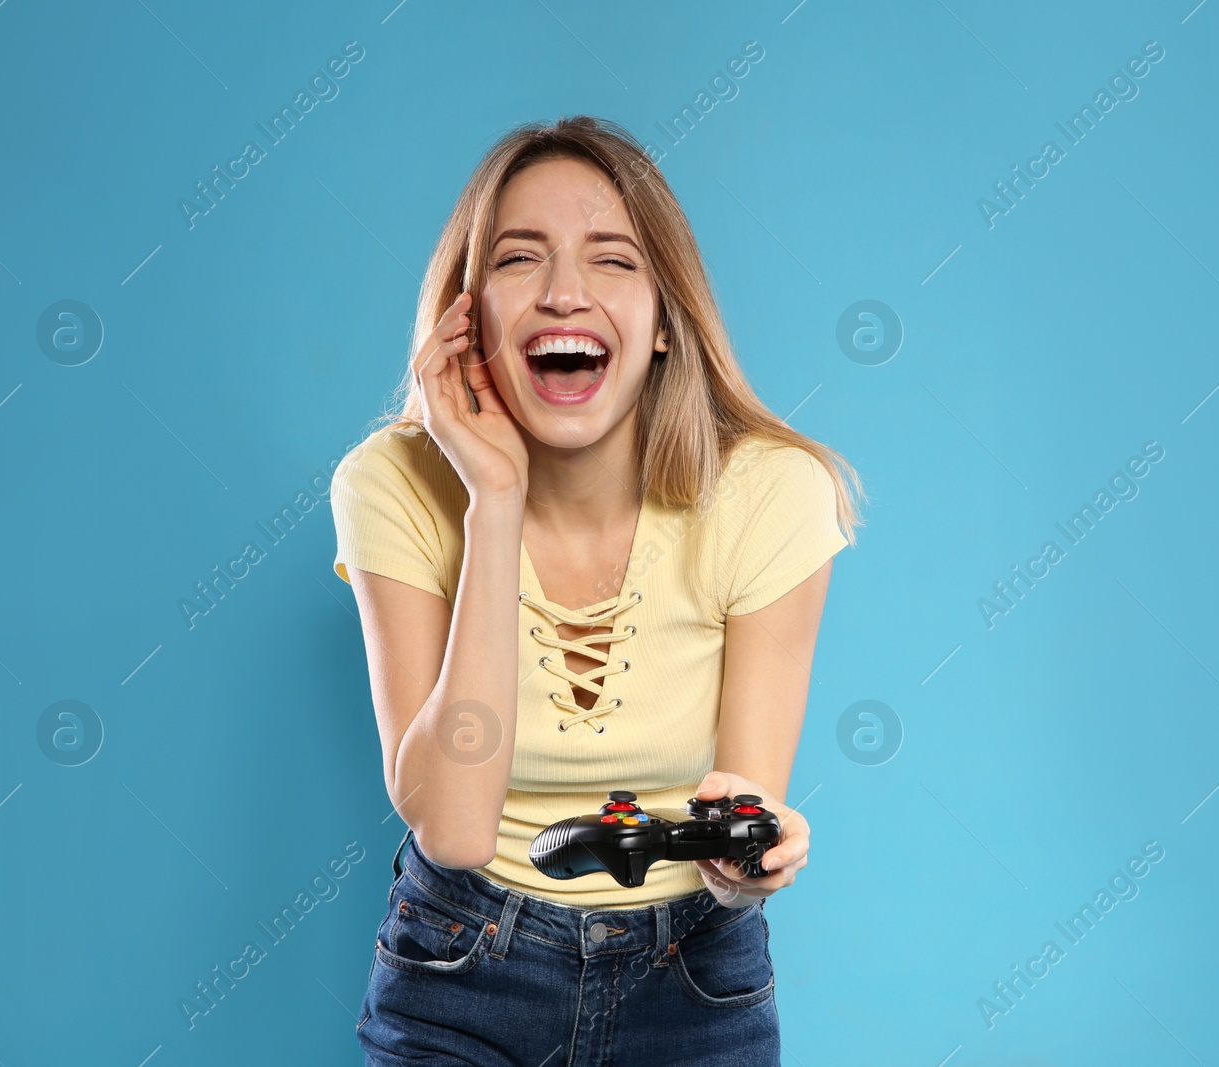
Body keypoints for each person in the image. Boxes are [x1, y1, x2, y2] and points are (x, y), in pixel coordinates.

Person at [329, 114, 864, 1066]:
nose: (564, 292)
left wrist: (753, 861)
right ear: (469, 319)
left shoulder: (772, 492)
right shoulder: (391, 485)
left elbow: (742, 804)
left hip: (695, 976)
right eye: (519, 259)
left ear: (663, 322)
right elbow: (451, 827)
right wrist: (493, 498)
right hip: (460, 963)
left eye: (612, 260)